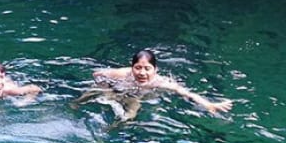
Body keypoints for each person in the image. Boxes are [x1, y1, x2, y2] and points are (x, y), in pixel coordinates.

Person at [74, 49, 232, 122]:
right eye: (138, 68)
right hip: (117, 89)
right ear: (132, 67)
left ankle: (106, 133)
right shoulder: (123, 73)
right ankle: (74, 106)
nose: (142, 73)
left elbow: (187, 93)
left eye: (147, 68)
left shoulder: (160, 82)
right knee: (93, 91)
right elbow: (97, 74)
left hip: (134, 97)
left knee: (130, 115)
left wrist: (209, 105)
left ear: (155, 70)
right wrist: (106, 88)